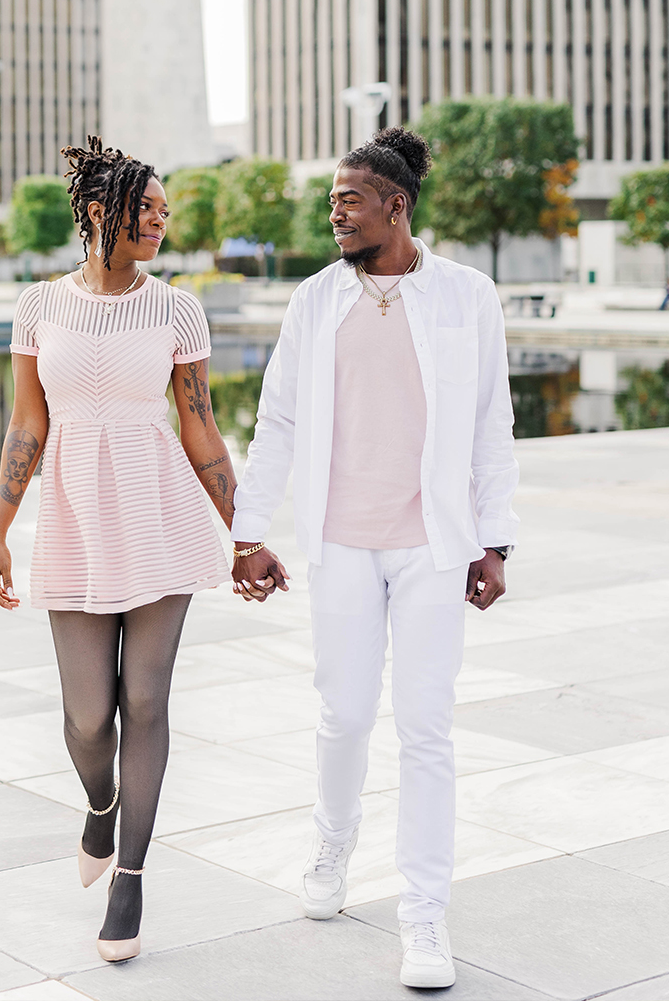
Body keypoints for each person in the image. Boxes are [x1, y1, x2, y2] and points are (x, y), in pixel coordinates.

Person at [229, 125, 517, 991]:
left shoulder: (468, 295)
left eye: (348, 202)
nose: (335, 216)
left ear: (397, 205)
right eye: (331, 204)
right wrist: (248, 532)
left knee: (426, 728)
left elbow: (492, 425)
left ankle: (424, 918)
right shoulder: (315, 300)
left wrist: (494, 541)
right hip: (342, 542)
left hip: (434, 544)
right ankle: (333, 840)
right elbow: (276, 421)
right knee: (345, 714)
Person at [0, 137, 242, 964]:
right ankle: (101, 804)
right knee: (89, 718)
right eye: (149, 208)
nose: (164, 220)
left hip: (158, 504)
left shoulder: (177, 309)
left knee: (148, 704)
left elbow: (199, 423)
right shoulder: (37, 306)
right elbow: (30, 423)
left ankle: (130, 877)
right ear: (101, 213)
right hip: (73, 511)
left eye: (167, 210)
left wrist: (244, 530)